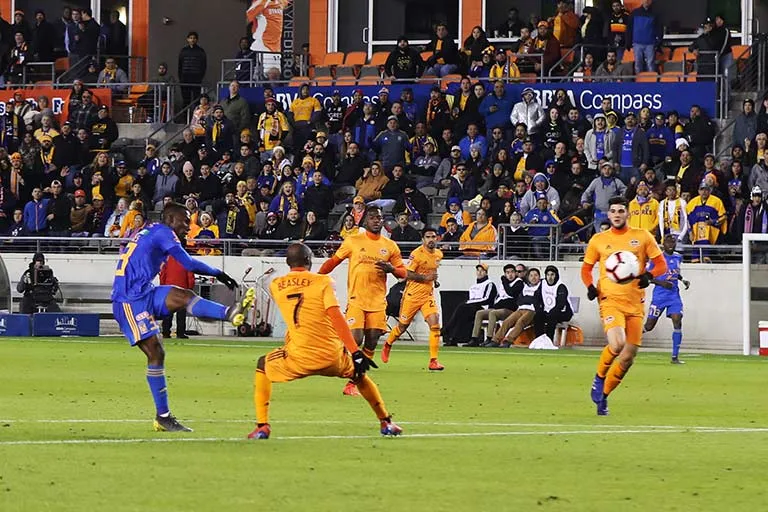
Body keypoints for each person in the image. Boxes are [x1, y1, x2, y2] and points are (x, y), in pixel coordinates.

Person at [111, 202, 254, 432]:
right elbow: (187, 262)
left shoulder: (153, 230)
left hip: (144, 291)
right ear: (170, 219)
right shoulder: (163, 232)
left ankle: (230, 313)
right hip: (128, 299)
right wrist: (218, 272)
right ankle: (163, 416)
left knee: (183, 295)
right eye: (185, 221)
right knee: (156, 352)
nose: (189, 226)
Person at [247, 243, 402, 440]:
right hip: (332, 356)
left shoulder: (276, 285)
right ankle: (386, 422)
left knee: (263, 364)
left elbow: (295, 318)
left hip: (299, 357)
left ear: (287, 262)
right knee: (359, 375)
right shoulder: (323, 282)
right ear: (309, 261)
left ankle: (262, 426)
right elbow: (336, 316)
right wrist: (355, 352)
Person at [583, 196, 668, 416]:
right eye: (613, 211)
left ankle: (604, 398)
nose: (617, 214)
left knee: (628, 357)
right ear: (608, 214)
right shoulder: (599, 240)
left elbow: (661, 264)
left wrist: (648, 275)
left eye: (621, 211)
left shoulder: (642, 237)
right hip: (610, 301)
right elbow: (586, 268)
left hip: (635, 304)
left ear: (627, 213)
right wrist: (591, 286)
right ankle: (599, 377)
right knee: (617, 343)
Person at [318, 206, 414, 395]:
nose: (376, 220)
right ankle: (343, 367)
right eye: (372, 217)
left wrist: (391, 269)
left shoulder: (390, 245)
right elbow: (333, 261)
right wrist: (316, 276)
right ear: (365, 221)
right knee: (356, 338)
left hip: (378, 301)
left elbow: (403, 273)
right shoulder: (353, 241)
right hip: (357, 299)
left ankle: (354, 382)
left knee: (371, 342)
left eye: (379, 217)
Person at [381, 227, 444, 370]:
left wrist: (434, 281)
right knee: (402, 327)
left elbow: (432, 270)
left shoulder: (438, 254)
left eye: (433, 237)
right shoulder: (416, 255)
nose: (431, 239)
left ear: (437, 238)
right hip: (412, 296)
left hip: (427, 296)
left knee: (435, 325)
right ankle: (388, 343)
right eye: (428, 237)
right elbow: (407, 274)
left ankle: (433, 361)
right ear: (423, 239)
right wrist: (425, 278)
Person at [644, 234, 691, 364]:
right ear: (663, 244)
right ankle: (628, 338)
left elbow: (674, 272)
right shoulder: (656, 259)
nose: (671, 244)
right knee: (649, 326)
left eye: (673, 242)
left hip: (674, 295)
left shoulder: (678, 257)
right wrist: (661, 283)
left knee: (677, 319)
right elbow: (646, 277)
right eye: (668, 242)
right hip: (659, 296)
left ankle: (675, 357)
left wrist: (682, 279)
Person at [467, 263, 525, 347]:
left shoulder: (519, 283)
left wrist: (504, 281)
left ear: (516, 273)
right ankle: (474, 338)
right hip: (499, 308)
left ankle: (490, 338)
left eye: (512, 272)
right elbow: (499, 297)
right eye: (507, 272)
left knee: (493, 313)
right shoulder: (503, 284)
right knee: (480, 313)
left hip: (510, 310)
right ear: (505, 274)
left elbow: (511, 293)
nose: (510, 274)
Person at [442, 263, 497, 346]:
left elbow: (487, 298)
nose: (479, 273)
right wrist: (470, 302)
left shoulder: (489, 284)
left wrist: (471, 302)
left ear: (486, 272)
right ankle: (453, 338)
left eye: (482, 271)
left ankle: (447, 329)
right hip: (472, 307)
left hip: (483, 307)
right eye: (478, 271)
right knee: (462, 313)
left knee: (462, 308)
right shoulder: (473, 286)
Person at [487, 268, 541, 347]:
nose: (533, 277)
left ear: (539, 277)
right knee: (507, 321)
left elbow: (536, 300)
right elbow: (520, 300)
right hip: (521, 308)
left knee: (520, 322)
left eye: (536, 275)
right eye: (531, 275)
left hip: (532, 310)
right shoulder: (526, 286)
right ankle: (495, 340)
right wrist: (529, 299)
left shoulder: (541, 286)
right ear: (528, 277)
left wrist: (527, 298)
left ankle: (508, 341)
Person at [534, 265, 573, 342]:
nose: (550, 277)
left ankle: (548, 341)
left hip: (564, 312)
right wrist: (539, 309)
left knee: (552, 317)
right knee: (538, 316)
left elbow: (561, 305)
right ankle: (539, 340)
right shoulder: (542, 283)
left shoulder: (561, 286)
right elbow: (536, 298)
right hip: (548, 311)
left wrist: (550, 313)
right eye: (548, 275)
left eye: (552, 275)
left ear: (556, 275)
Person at [626, 0, 662, 74]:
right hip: (637, 43)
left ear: (651, 2)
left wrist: (658, 42)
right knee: (638, 64)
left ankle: (651, 82)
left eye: (648, 0)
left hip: (650, 44)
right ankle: (639, 82)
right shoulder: (634, 13)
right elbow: (629, 28)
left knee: (650, 64)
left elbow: (659, 29)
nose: (646, 1)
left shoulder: (655, 14)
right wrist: (628, 42)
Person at [178, 31, 207, 108]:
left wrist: (200, 77)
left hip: (196, 79)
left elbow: (204, 66)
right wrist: (181, 78)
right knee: (185, 100)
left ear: (197, 40)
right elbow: (180, 66)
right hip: (185, 79)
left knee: (197, 100)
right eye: (190, 38)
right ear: (187, 39)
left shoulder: (201, 51)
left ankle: (196, 118)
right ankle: (185, 118)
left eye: (194, 38)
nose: (192, 40)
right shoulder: (183, 51)